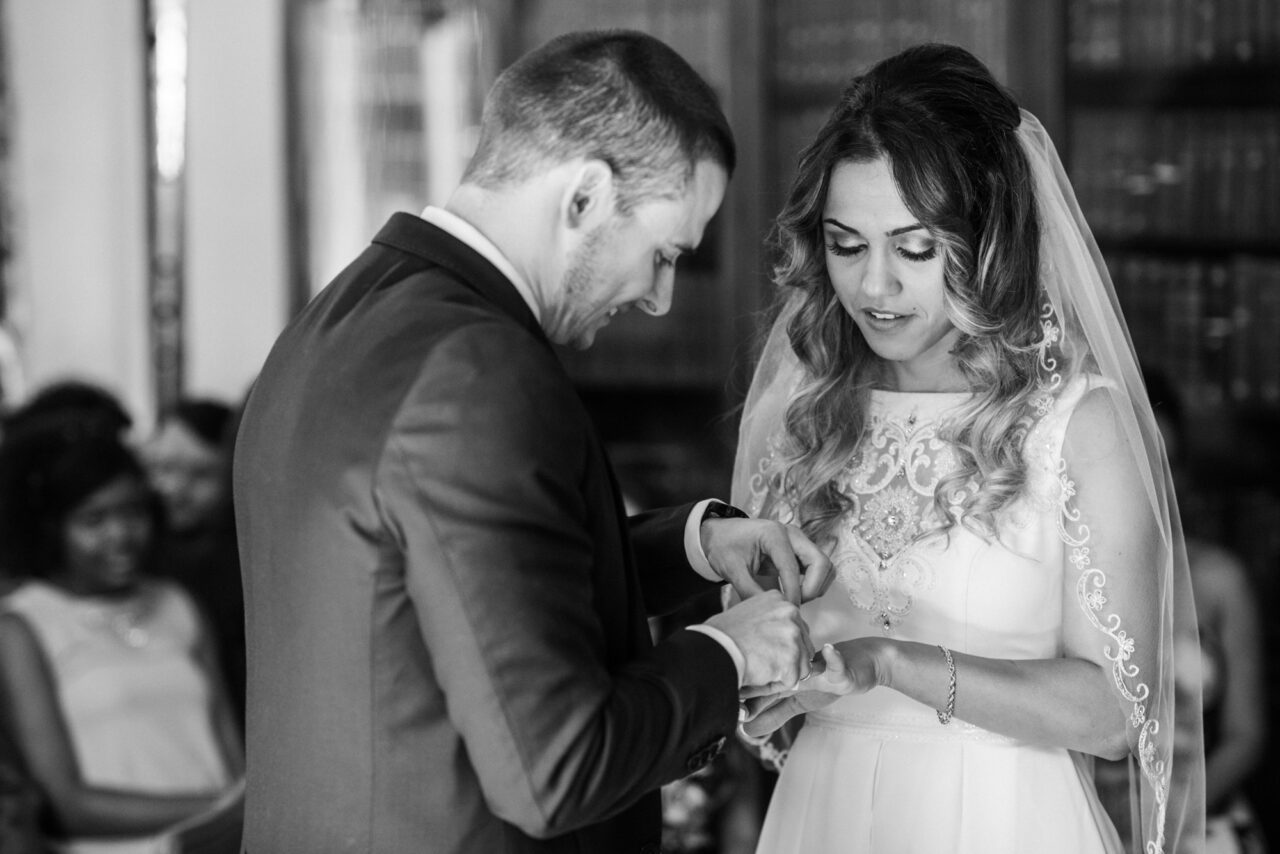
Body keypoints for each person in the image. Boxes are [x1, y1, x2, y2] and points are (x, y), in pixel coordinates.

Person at [233, 29, 831, 854]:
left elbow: (469, 575)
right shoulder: (479, 375)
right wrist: (726, 653)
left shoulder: (345, 315)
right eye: (663, 254)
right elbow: (557, 770)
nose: (660, 298)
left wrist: (691, 545)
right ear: (583, 198)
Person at [729, 44, 1205, 853]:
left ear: (988, 240)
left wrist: (889, 663)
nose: (875, 288)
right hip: (824, 814)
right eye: (847, 245)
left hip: (1003, 818)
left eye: (915, 249)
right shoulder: (801, 412)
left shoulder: (1078, 425)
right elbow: (751, 655)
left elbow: (1117, 715)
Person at [0, 412, 244, 853]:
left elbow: (230, 750)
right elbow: (67, 801)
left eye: (133, 512)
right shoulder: (23, 625)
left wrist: (235, 819)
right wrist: (224, 809)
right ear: (52, 528)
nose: (121, 535)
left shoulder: (177, 602)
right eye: (94, 521)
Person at [1145, 370, 1267, 854]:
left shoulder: (1219, 579)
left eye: (1169, 463)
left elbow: (1246, 735)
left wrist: (1167, 822)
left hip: (1197, 824)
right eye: (1139, 459)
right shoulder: (1057, 581)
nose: (1157, 481)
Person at [140, 397, 246, 729]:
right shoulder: (137, 557)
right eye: (163, 468)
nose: (174, 489)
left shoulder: (241, 561)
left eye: (201, 474)